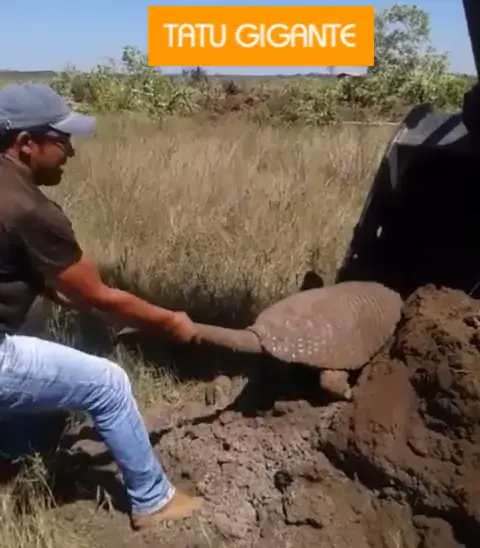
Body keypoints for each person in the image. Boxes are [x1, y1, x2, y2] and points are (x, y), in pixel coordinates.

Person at [0, 82, 203, 531]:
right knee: (107, 384)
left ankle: (8, 466)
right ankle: (154, 500)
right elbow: (95, 294)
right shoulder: (28, 209)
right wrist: (170, 321)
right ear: (26, 143)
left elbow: (50, 283)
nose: (70, 152)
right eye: (62, 140)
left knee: (50, 394)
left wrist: (94, 309)